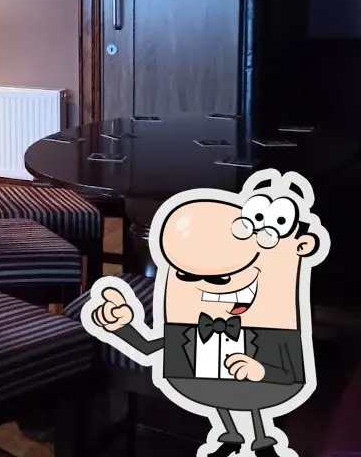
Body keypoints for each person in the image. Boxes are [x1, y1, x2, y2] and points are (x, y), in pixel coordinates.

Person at [84, 169, 330, 457]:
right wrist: (124, 326)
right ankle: (231, 435)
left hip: (257, 384)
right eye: (187, 276)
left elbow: (288, 370)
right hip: (205, 380)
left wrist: (260, 369)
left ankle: (263, 441)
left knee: (249, 397)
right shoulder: (188, 324)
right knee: (220, 394)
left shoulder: (273, 328)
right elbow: (149, 346)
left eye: (220, 278)